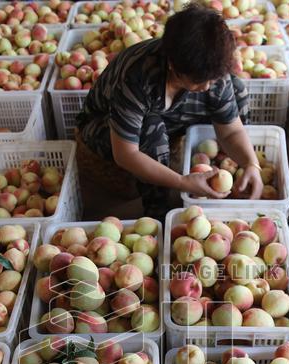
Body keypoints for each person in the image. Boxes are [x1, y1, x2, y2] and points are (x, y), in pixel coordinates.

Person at [75, 3, 264, 219]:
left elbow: (231, 131)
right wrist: (181, 182)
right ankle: (157, 210)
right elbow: (126, 154)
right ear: (173, 64)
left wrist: (251, 163)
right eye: (200, 81)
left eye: (212, 79)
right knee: (152, 132)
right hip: (106, 125)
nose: (207, 85)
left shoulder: (210, 72)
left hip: (168, 110)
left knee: (236, 89)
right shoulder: (137, 76)